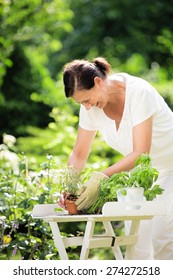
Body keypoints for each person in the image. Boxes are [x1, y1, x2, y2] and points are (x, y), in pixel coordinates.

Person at [62, 57, 173, 260]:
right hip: (140, 177)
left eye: (86, 100)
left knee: (163, 238)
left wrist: (101, 176)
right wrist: (68, 187)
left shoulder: (139, 92)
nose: (86, 107)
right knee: (136, 241)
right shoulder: (91, 107)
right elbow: (79, 154)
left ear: (98, 82)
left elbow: (141, 152)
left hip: (170, 167)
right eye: (81, 103)